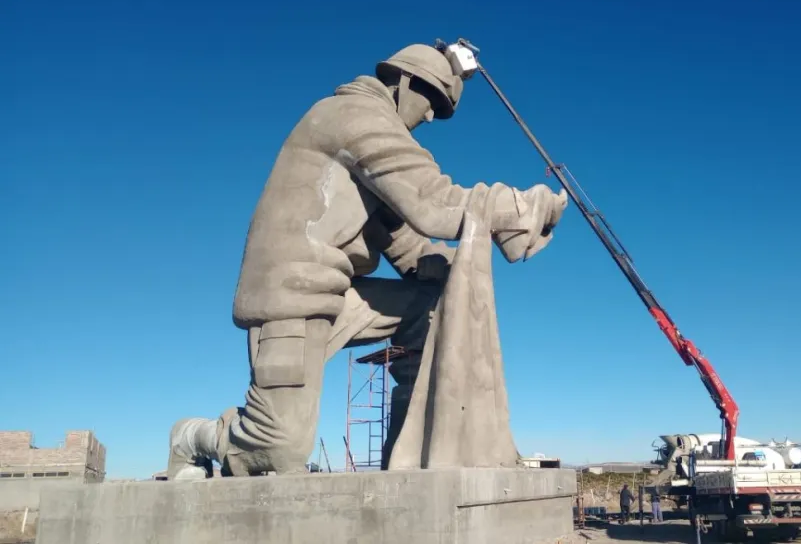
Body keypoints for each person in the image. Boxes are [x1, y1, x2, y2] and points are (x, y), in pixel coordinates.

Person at [166, 42, 568, 479]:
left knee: (434, 310)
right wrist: (519, 208)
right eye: (431, 100)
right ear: (404, 83)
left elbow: (404, 241)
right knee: (275, 448)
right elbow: (432, 201)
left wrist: (453, 267)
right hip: (293, 290)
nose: (430, 116)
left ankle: (410, 457)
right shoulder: (354, 115)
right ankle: (191, 436)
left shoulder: (374, 142)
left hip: (337, 293)